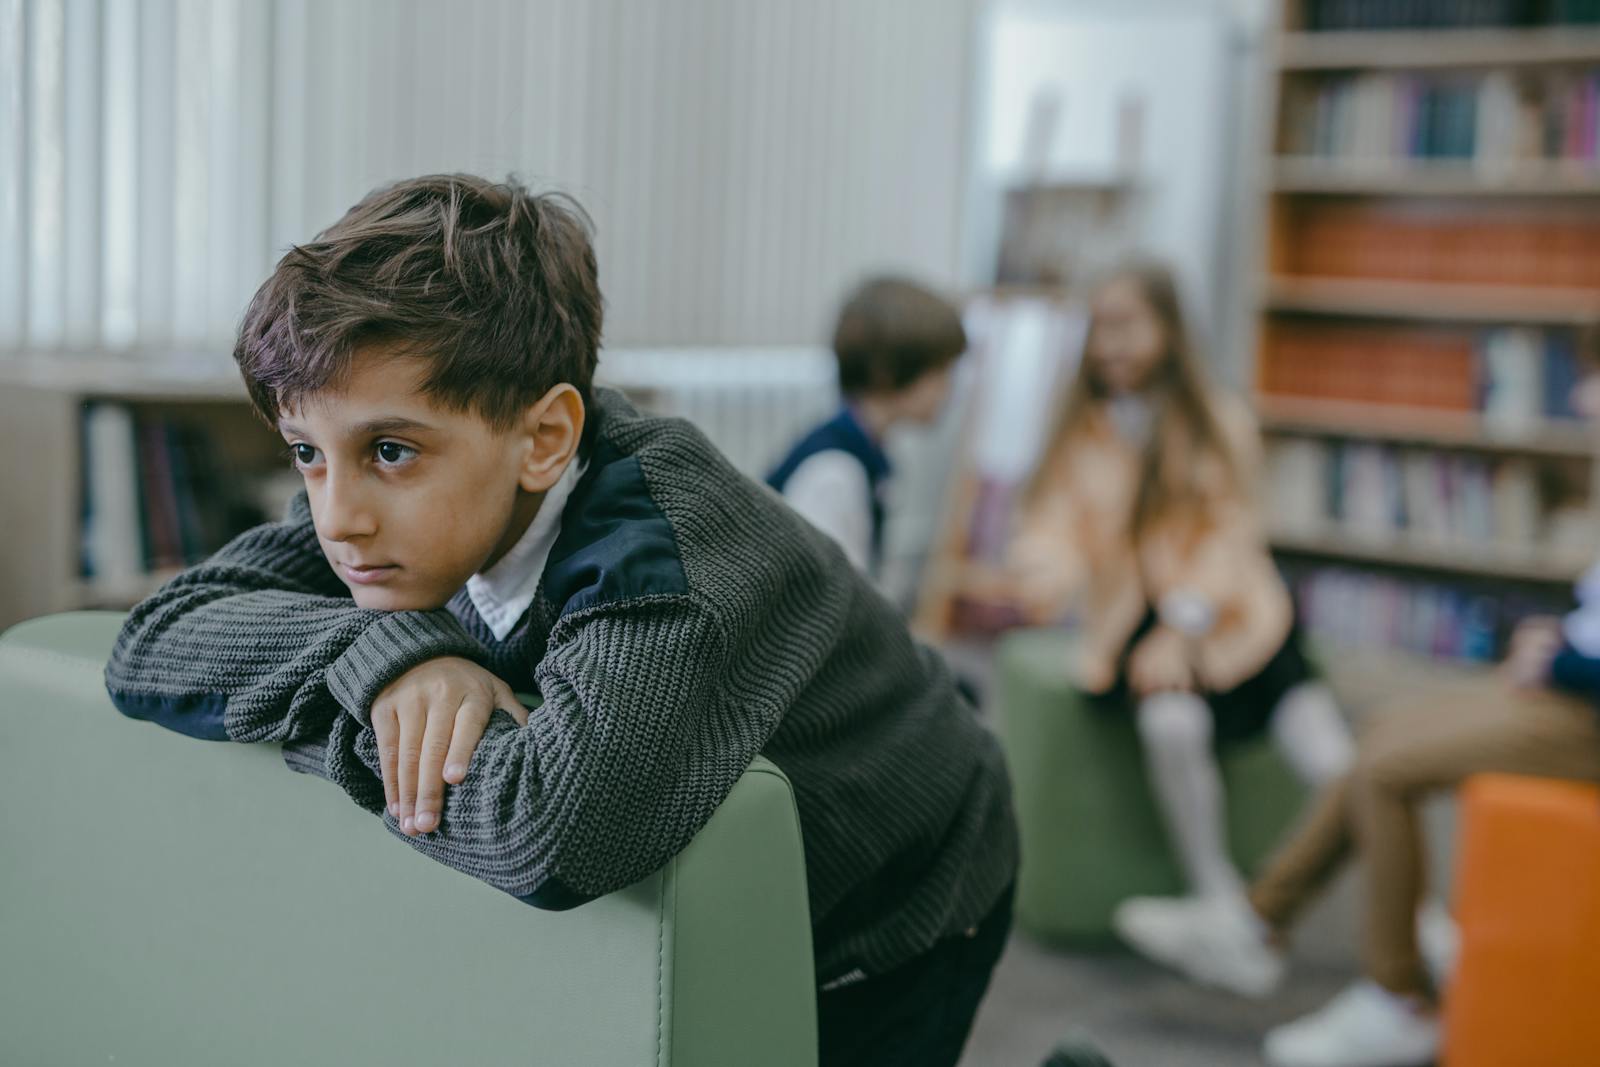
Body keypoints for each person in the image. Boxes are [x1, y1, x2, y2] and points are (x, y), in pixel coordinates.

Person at [102, 174, 1018, 1067]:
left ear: (544, 439)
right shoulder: (388, 509)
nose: (336, 512)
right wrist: (386, 655)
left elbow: (550, 831)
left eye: (389, 449)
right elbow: (151, 639)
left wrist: (334, 699)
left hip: (904, 892)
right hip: (737, 888)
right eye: (306, 452)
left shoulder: (664, 551)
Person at [1125, 345, 1600, 1067]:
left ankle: (1396, 995)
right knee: (1379, 731)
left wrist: (1567, 660)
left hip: (1584, 710)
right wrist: (1566, 636)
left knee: (1386, 769)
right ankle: (1259, 924)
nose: (1585, 399)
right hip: (1572, 687)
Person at [1002, 261, 1353, 997]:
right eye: (1099, 326)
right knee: (1170, 724)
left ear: (1168, 327)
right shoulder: (1080, 432)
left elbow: (1234, 529)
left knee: (1332, 757)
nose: (1111, 344)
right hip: (1133, 630)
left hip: (1236, 622)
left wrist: (1187, 621)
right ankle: (1219, 899)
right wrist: (1044, 572)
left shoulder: (1215, 418)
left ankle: (1421, 921)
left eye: (1128, 323)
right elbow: (1053, 526)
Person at [767, 276, 965, 577]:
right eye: (940, 372)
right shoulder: (834, 472)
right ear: (887, 370)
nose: (949, 389)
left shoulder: (864, 450)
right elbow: (834, 610)